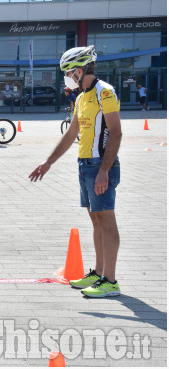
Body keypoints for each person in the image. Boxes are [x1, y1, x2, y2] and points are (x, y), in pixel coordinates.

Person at [29, 45, 122, 298]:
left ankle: (110, 281)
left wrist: (104, 170)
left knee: (106, 219)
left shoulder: (105, 92)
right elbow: (71, 134)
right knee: (95, 219)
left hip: (100, 165)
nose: (67, 78)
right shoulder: (81, 98)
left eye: (68, 73)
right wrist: (48, 163)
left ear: (79, 70)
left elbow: (116, 132)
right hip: (84, 165)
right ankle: (99, 272)